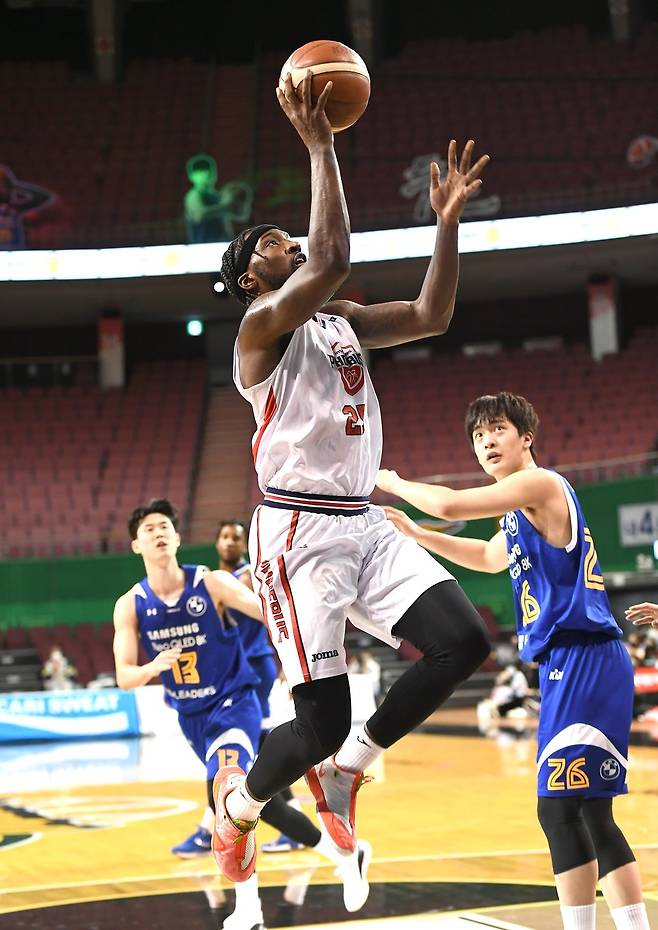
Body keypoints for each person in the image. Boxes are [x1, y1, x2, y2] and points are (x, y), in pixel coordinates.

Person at [213, 68, 491, 884]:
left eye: (284, 235)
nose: (286, 242)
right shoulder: (259, 331)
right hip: (297, 534)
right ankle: (237, 809)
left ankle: (347, 772)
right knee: (316, 722)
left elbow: (432, 316)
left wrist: (446, 227)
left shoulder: (337, 321)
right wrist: (320, 143)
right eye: (270, 243)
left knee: (463, 640)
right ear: (249, 280)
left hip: (363, 520)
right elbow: (329, 258)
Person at [375, 392, 651, 930]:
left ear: (525, 437)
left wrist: (395, 482)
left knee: (558, 810)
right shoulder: (518, 515)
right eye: (478, 437)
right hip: (567, 666)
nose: (485, 442)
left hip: (584, 659)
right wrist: (415, 533)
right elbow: (484, 556)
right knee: (590, 812)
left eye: (496, 430)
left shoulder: (541, 485)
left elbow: (453, 505)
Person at [112, 499, 370, 923]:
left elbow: (269, 614)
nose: (157, 533)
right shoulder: (130, 604)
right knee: (253, 804)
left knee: (228, 796)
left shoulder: (210, 583)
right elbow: (124, 676)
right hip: (192, 718)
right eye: (148, 529)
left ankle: (248, 909)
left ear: (177, 537)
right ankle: (346, 853)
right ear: (135, 545)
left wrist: (299, 657)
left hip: (234, 703)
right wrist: (150, 668)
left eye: (164, 527)